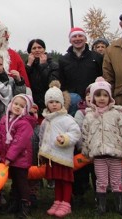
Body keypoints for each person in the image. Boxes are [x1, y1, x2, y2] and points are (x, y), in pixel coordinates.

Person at [80, 77, 122, 216]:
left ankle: (121, 206)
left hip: (115, 154)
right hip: (98, 155)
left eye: (105, 95)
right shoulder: (90, 115)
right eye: (98, 95)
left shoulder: (117, 114)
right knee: (101, 180)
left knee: (116, 180)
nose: (102, 98)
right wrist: (86, 151)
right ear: (92, 97)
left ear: (110, 97)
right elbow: (85, 134)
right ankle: (101, 207)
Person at [38, 86, 81, 218]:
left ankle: (66, 203)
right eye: (51, 102)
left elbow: (76, 133)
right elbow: (42, 137)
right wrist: (42, 151)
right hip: (52, 156)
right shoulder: (46, 120)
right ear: (47, 104)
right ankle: (57, 201)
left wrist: (65, 139)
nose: (54, 105)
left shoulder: (67, 119)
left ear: (61, 103)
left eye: (57, 102)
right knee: (57, 180)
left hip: (63, 155)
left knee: (65, 180)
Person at [0, 93, 35, 218]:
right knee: (15, 182)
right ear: (11, 104)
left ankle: (25, 206)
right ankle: (15, 203)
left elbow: (19, 143)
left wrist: (9, 157)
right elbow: (0, 137)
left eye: (22, 106)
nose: (17, 107)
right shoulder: (5, 120)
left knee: (22, 182)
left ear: (26, 110)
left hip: (21, 158)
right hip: (10, 158)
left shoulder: (25, 124)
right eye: (16, 104)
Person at [58, 27, 103, 111]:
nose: (77, 39)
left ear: (85, 39)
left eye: (80, 36)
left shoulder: (97, 57)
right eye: (74, 36)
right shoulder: (63, 60)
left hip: (93, 101)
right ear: (70, 40)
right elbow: (62, 83)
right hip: (72, 102)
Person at [25, 39, 59, 114]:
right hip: (32, 105)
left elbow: (52, 83)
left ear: (44, 49)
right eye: (34, 48)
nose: (37, 50)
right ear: (30, 51)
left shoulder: (53, 65)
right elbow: (23, 81)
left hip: (48, 104)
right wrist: (29, 65)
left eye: (39, 47)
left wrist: (43, 66)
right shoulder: (27, 65)